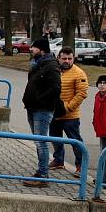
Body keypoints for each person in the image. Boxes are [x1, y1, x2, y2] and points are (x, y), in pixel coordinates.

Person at [21, 36, 62, 187]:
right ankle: (41, 170)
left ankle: (43, 176)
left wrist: (39, 99)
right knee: (38, 142)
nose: (31, 49)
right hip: (33, 108)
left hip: (42, 110)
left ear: (42, 49)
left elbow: (56, 88)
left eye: (34, 47)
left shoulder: (50, 65)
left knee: (41, 142)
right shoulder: (38, 63)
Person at [48, 46, 89, 177]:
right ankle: (58, 160)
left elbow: (81, 93)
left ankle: (81, 166)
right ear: (58, 58)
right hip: (54, 113)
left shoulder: (79, 73)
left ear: (73, 58)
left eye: (69, 58)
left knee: (75, 141)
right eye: (64, 58)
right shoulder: (54, 71)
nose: (66, 61)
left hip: (70, 115)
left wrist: (67, 108)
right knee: (55, 138)